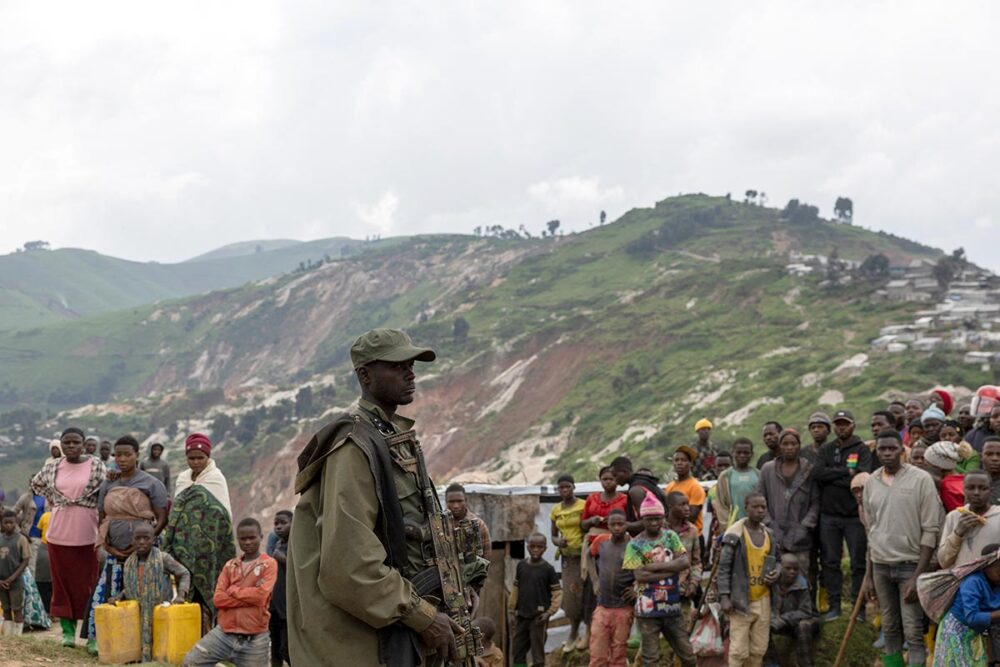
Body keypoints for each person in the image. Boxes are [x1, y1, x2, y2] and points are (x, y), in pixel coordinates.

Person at [287, 329, 468, 665]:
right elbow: (349, 565)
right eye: (397, 365)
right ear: (365, 375)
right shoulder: (355, 447)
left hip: (387, 636)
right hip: (362, 646)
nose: (410, 373)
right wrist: (422, 616)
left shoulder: (389, 437)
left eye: (411, 364)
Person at [863, 430, 943, 667]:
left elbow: (931, 529)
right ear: (876, 452)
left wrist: (918, 575)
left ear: (902, 450)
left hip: (910, 565)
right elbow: (871, 531)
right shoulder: (871, 482)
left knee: (913, 630)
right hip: (880, 565)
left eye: (891, 448)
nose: (887, 453)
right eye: (882, 449)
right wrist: (868, 575)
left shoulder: (921, 480)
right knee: (888, 627)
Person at [88, 434, 170, 651]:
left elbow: (162, 518)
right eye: (118, 455)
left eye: (127, 454)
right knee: (110, 593)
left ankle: (146, 644)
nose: (122, 459)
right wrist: (107, 546)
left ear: (137, 456)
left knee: (143, 593)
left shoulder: (152, 483)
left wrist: (143, 544)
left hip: (144, 551)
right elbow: (102, 515)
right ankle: (109, 641)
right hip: (113, 550)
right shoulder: (109, 482)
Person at [30, 427, 106, 647]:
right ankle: (67, 633)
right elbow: (35, 484)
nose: (71, 446)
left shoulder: (96, 465)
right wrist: (56, 500)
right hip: (57, 535)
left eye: (75, 442)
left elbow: (106, 489)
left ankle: (91, 636)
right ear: (61, 444)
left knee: (89, 585)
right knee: (62, 585)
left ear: (83, 444)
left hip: (87, 535)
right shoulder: (53, 466)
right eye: (67, 443)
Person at [161, 433, 236, 633]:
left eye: (200, 458)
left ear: (208, 456)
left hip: (208, 551)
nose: (196, 462)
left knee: (207, 595)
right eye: (191, 458)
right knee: (185, 592)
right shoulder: (183, 478)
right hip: (182, 548)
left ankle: (209, 640)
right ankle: (186, 639)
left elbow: (222, 515)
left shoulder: (215, 478)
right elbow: (176, 511)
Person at [183, 518, 277, 667]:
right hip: (224, 633)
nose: (247, 542)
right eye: (243, 538)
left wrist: (233, 590)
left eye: (252, 538)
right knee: (191, 662)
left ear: (261, 537)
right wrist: (249, 596)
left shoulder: (268, 564)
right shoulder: (230, 565)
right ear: (237, 539)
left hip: (255, 638)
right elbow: (218, 599)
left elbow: (261, 596)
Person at [622, 492, 695, 667]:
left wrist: (653, 567)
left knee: (688, 655)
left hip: (672, 607)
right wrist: (672, 570)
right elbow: (639, 576)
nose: (654, 522)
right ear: (642, 519)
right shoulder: (634, 544)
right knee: (650, 658)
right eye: (649, 519)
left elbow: (685, 561)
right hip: (648, 610)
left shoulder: (671, 537)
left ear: (663, 517)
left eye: (657, 518)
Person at [813, 409, 872, 620]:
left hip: (854, 516)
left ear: (853, 425)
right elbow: (817, 473)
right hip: (829, 516)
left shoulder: (862, 449)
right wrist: (844, 473)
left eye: (845, 423)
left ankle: (859, 609)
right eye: (838, 424)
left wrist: (834, 475)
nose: (841, 427)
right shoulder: (827, 449)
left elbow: (862, 478)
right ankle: (834, 606)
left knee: (858, 563)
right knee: (830, 562)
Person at [718, 493, 777, 667]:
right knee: (738, 651)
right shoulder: (735, 535)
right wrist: (724, 596)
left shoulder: (769, 534)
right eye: (755, 507)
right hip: (741, 600)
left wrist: (777, 573)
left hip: (763, 599)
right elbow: (724, 568)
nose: (760, 510)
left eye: (763, 507)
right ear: (746, 508)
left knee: (759, 649)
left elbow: (778, 560)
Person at [118, 523, 190, 662]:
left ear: (154, 539)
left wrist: (181, 595)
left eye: (146, 538)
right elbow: (133, 586)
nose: (142, 542)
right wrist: (120, 596)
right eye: (138, 538)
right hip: (136, 613)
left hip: (159, 612)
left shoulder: (163, 558)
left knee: (161, 646)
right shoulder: (129, 562)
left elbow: (184, 573)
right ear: (132, 540)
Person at [755, 428, 819, 574]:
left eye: (793, 444)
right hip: (773, 535)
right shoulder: (768, 469)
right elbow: (760, 498)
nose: (789, 448)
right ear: (780, 445)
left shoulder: (808, 469)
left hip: (801, 539)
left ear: (799, 445)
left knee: (801, 579)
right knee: (774, 578)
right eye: (785, 444)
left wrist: (804, 527)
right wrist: (769, 523)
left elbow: (815, 502)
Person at [932, 544, 1000, 666]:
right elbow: (972, 617)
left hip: (975, 633)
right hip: (956, 632)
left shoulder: (996, 583)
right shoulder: (973, 582)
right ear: (986, 567)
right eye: (999, 571)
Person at [581, 466, 628, 629]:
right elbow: (582, 523)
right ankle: (589, 629)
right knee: (591, 588)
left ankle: (617, 626)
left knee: (614, 583)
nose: (608, 482)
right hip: (594, 547)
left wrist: (613, 522)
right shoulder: (592, 498)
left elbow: (627, 521)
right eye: (604, 479)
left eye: (611, 479)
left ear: (617, 480)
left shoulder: (624, 500)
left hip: (616, 547)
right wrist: (592, 520)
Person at [587, 509, 632, 667]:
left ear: (626, 524)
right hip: (602, 605)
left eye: (620, 524)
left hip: (623, 608)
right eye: (613, 524)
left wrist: (637, 590)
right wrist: (594, 580)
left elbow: (644, 572)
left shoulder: (634, 546)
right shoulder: (602, 541)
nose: (617, 527)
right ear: (607, 525)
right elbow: (588, 555)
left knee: (618, 652)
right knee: (597, 651)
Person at [509, 533, 561, 667]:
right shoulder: (521, 565)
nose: (536, 550)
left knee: (538, 655)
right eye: (532, 546)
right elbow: (516, 590)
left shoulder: (548, 569)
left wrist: (549, 613)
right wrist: (511, 611)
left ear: (545, 548)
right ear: (528, 547)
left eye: (540, 547)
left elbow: (557, 593)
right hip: (521, 616)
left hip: (539, 619)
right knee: (518, 651)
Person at [549, 473, 587, 651]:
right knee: (571, 596)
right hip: (567, 558)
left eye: (567, 487)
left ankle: (587, 633)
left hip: (584, 556)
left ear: (574, 487)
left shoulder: (583, 506)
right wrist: (558, 542)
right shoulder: (556, 510)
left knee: (585, 594)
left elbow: (588, 528)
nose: (564, 490)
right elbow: (553, 536)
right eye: (561, 488)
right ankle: (573, 633)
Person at [763, 554, 820, 667]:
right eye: (788, 568)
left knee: (803, 626)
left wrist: (783, 619)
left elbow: (806, 612)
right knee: (761, 625)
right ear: (780, 568)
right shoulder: (772, 582)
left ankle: (806, 664)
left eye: (795, 569)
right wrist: (773, 618)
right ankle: (772, 663)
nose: (792, 572)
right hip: (778, 621)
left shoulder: (802, 585)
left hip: (802, 622)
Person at [938, 471, 1000, 569]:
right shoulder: (954, 517)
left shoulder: (997, 516)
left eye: (983, 488)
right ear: (964, 489)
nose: (976, 493)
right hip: (959, 581)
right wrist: (957, 533)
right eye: (971, 488)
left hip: (990, 582)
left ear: (991, 490)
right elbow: (943, 561)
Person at [664, 492, 701, 624]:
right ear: (670, 507)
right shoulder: (659, 529)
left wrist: (693, 583)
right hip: (660, 591)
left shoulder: (692, 531)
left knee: (682, 634)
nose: (687, 508)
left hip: (683, 592)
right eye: (682, 504)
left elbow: (696, 562)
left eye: (687, 504)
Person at [610, 456, 668, 535]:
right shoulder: (648, 482)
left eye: (615, 475)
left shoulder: (635, 491)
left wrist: (623, 525)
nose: (614, 480)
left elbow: (646, 522)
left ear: (624, 472)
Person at [714, 438, 759, 532]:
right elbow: (721, 504)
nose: (742, 455)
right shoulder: (725, 476)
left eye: (746, 453)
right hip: (734, 526)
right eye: (738, 452)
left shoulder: (758, 474)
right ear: (733, 453)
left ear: (752, 454)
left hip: (755, 525)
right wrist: (728, 526)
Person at [0, 510, 30, 636]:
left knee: (17, 608)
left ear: (16, 522)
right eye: (5, 523)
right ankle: (8, 636)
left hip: (16, 580)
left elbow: (26, 560)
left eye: (11, 522)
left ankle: (17, 637)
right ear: (1, 523)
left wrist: (12, 578)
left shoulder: (21, 539)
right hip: (1, 581)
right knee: (6, 608)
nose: (8, 525)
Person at [665, 446, 705, 534]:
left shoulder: (695, 487)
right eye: (676, 460)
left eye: (683, 460)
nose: (679, 463)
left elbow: (691, 516)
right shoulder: (670, 486)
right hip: (673, 535)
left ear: (690, 464)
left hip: (692, 535)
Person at [269, 511, 291, 667]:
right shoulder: (277, 544)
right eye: (276, 524)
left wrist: (284, 559)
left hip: (287, 605)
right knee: (275, 645)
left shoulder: (296, 546)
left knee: (287, 648)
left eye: (283, 523)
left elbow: (300, 569)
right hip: (274, 605)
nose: (278, 527)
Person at [445, 483, 492, 551]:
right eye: (451, 501)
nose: (456, 506)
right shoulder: (440, 525)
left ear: (465, 500)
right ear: (446, 502)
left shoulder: (479, 524)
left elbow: (487, 554)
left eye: (459, 501)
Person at [12, 484, 46, 574]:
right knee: (31, 566)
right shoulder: (27, 497)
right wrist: (19, 532)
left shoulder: (49, 497)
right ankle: (30, 587)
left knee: (42, 566)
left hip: (45, 538)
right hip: (30, 535)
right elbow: (12, 513)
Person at [924, 440, 966, 512]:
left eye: (927, 464)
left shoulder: (947, 486)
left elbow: (956, 514)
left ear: (937, 466)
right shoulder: (964, 478)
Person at [983, 437, 1000, 504]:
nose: (995, 459)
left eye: (999, 454)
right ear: (981, 456)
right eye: (989, 454)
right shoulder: (972, 482)